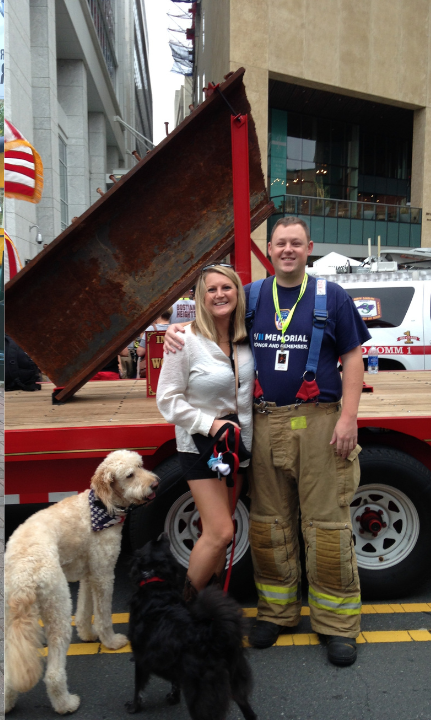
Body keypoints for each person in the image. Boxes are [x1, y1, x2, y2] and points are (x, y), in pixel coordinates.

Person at [165, 217, 369, 667]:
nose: (288, 250)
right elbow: (210, 316)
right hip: (263, 424)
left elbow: (353, 356)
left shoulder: (332, 296)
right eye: (280, 243)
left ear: (309, 248)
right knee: (269, 524)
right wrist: (175, 330)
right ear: (270, 250)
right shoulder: (252, 296)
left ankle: (337, 625)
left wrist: (348, 417)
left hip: (319, 423)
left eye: (296, 243)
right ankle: (277, 613)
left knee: (326, 526)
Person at [156, 265, 253, 601]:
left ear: (238, 292)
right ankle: (182, 610)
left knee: (222, 536)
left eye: (227, 287)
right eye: (211, 289)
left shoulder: (246, 338)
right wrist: (211, 425)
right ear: (200, 297)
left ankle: (207, 607)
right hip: (201, 447)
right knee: (220, 531)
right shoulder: (185, 340)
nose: (219, 295)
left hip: (237, 448)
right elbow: (167, 400)